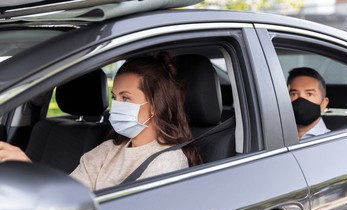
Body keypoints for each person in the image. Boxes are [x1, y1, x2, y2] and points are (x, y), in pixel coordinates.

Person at [0, 51, 202, 191]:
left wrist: (30, 170)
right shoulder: (107, 150)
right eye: (114, 97)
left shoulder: (167, 162)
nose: (117, 106)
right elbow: (70, 196)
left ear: (156, 105)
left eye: (126, 98)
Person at [287, 67, 330, 140]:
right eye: (293, 94)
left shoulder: (335, 142)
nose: (301, 99)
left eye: (309, 94)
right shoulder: (269, 139)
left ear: (324, 104)